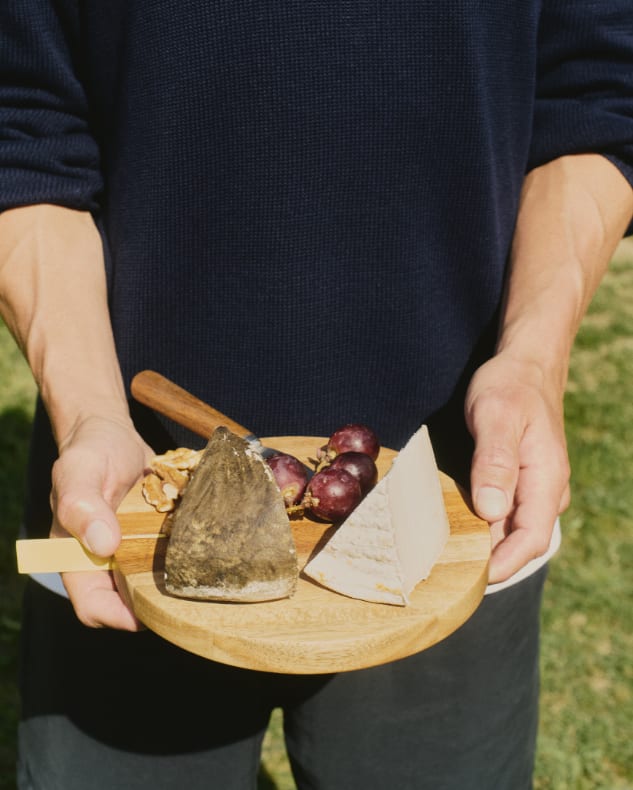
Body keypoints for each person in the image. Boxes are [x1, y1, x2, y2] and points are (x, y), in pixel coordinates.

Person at [1, 3, 632, 788]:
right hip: (138, 496)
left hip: (448, 505)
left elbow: (596, 94)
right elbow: (20, 124)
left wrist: (531, 359)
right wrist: (89, 409)